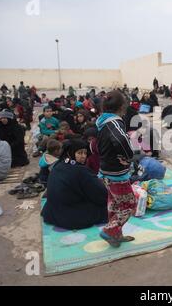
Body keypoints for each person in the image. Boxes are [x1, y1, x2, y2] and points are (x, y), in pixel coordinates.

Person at [97, 90, 136, 247]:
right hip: (116, 174)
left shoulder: (103, 121)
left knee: (114, 204)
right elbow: (120, 139)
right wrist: (129, 156)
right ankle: (109, 230)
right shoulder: (114, 123)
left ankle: (116, 235)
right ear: (122, 106)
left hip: (106, 171)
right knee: (129, 204)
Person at [41, 139, 108, 230]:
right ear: (70, 153)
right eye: (80, 153)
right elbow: (101, 195)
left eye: (85, 153)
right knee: (109, 208)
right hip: (70, 217)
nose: (83, 156)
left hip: (51, 212)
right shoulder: (81, 171)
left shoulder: (59, 165)